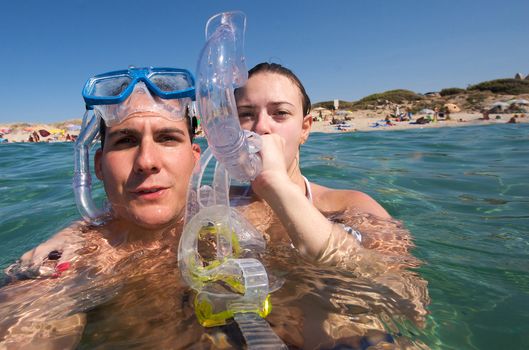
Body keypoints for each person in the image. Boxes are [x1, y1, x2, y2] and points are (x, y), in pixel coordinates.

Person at [1, 67, 201, 347]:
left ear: (196, 159)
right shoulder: (73, 264)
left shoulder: (235, 211)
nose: (147, 161)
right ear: (98, 166)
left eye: (167, 138)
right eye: (126, 141)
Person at [233, 63, 409, 264]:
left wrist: (275, 184)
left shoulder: (350, 207)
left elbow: (400, 286)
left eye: (280, 112)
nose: (261, 127)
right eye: (245, 114)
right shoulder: (216, 204)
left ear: (305, 129)